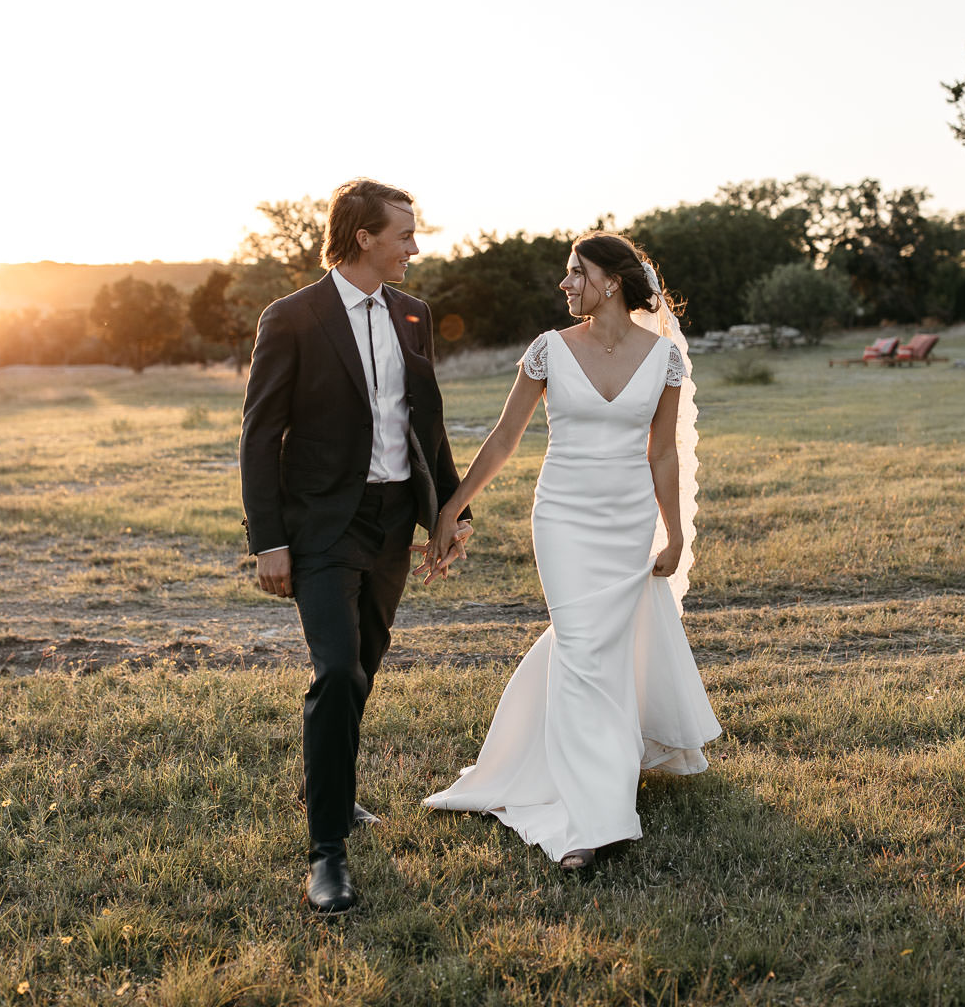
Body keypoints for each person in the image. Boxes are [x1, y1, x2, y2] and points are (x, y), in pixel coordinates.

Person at [421, 231, 721, 869]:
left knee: (597, 652)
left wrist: (674, 532)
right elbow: (505, 437)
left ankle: (562, 765)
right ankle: (596, 820)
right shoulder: (548, 351)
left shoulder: (664, 359)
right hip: (562, 520)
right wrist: (452, 506)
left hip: (628, 522)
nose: (565, 284)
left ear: (611, 282)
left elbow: (663, 453)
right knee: (584, 648)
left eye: (577, 273)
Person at [239, 177, 471, 914]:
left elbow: (425, 419)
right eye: (404, 235)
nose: (414, 247)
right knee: (337, 670)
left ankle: (329, 787)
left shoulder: (413, 313)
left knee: (363, 666)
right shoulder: (291, 317)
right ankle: (327, 851)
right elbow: (259, 434)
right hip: (321, 525)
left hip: (392, 521)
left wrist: (451, 510)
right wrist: (268, 540)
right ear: (363, 237)